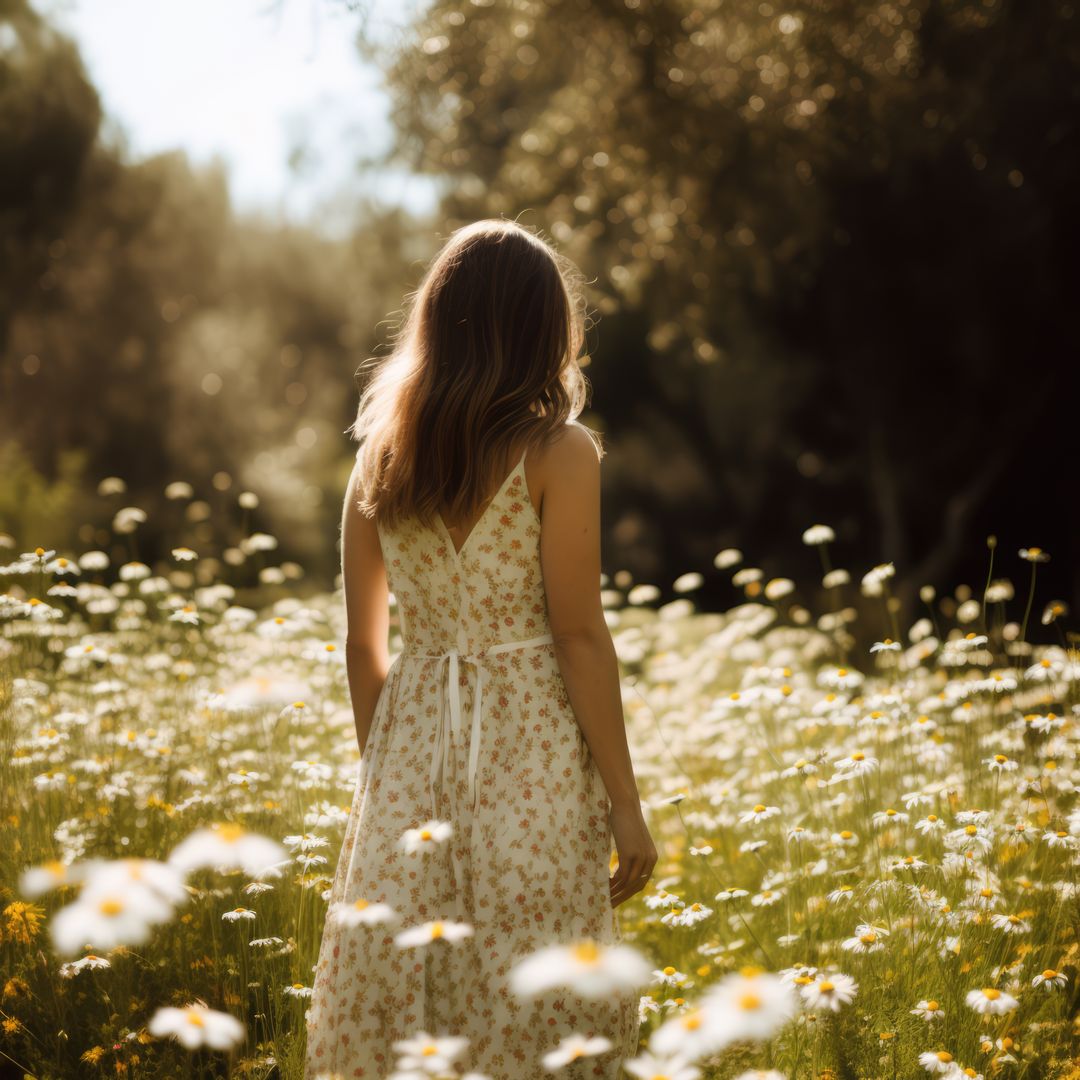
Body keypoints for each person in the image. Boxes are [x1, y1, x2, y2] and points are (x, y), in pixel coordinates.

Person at [304, 218, 656, 1079]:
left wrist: (383, 766)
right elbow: (577, 634)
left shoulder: (381, 457)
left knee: (416, 981)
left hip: (410, 741)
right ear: (542, 328)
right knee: (533, 976)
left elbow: (362, 643)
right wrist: (625, 801)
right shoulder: (559, 452)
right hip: (525, 742)